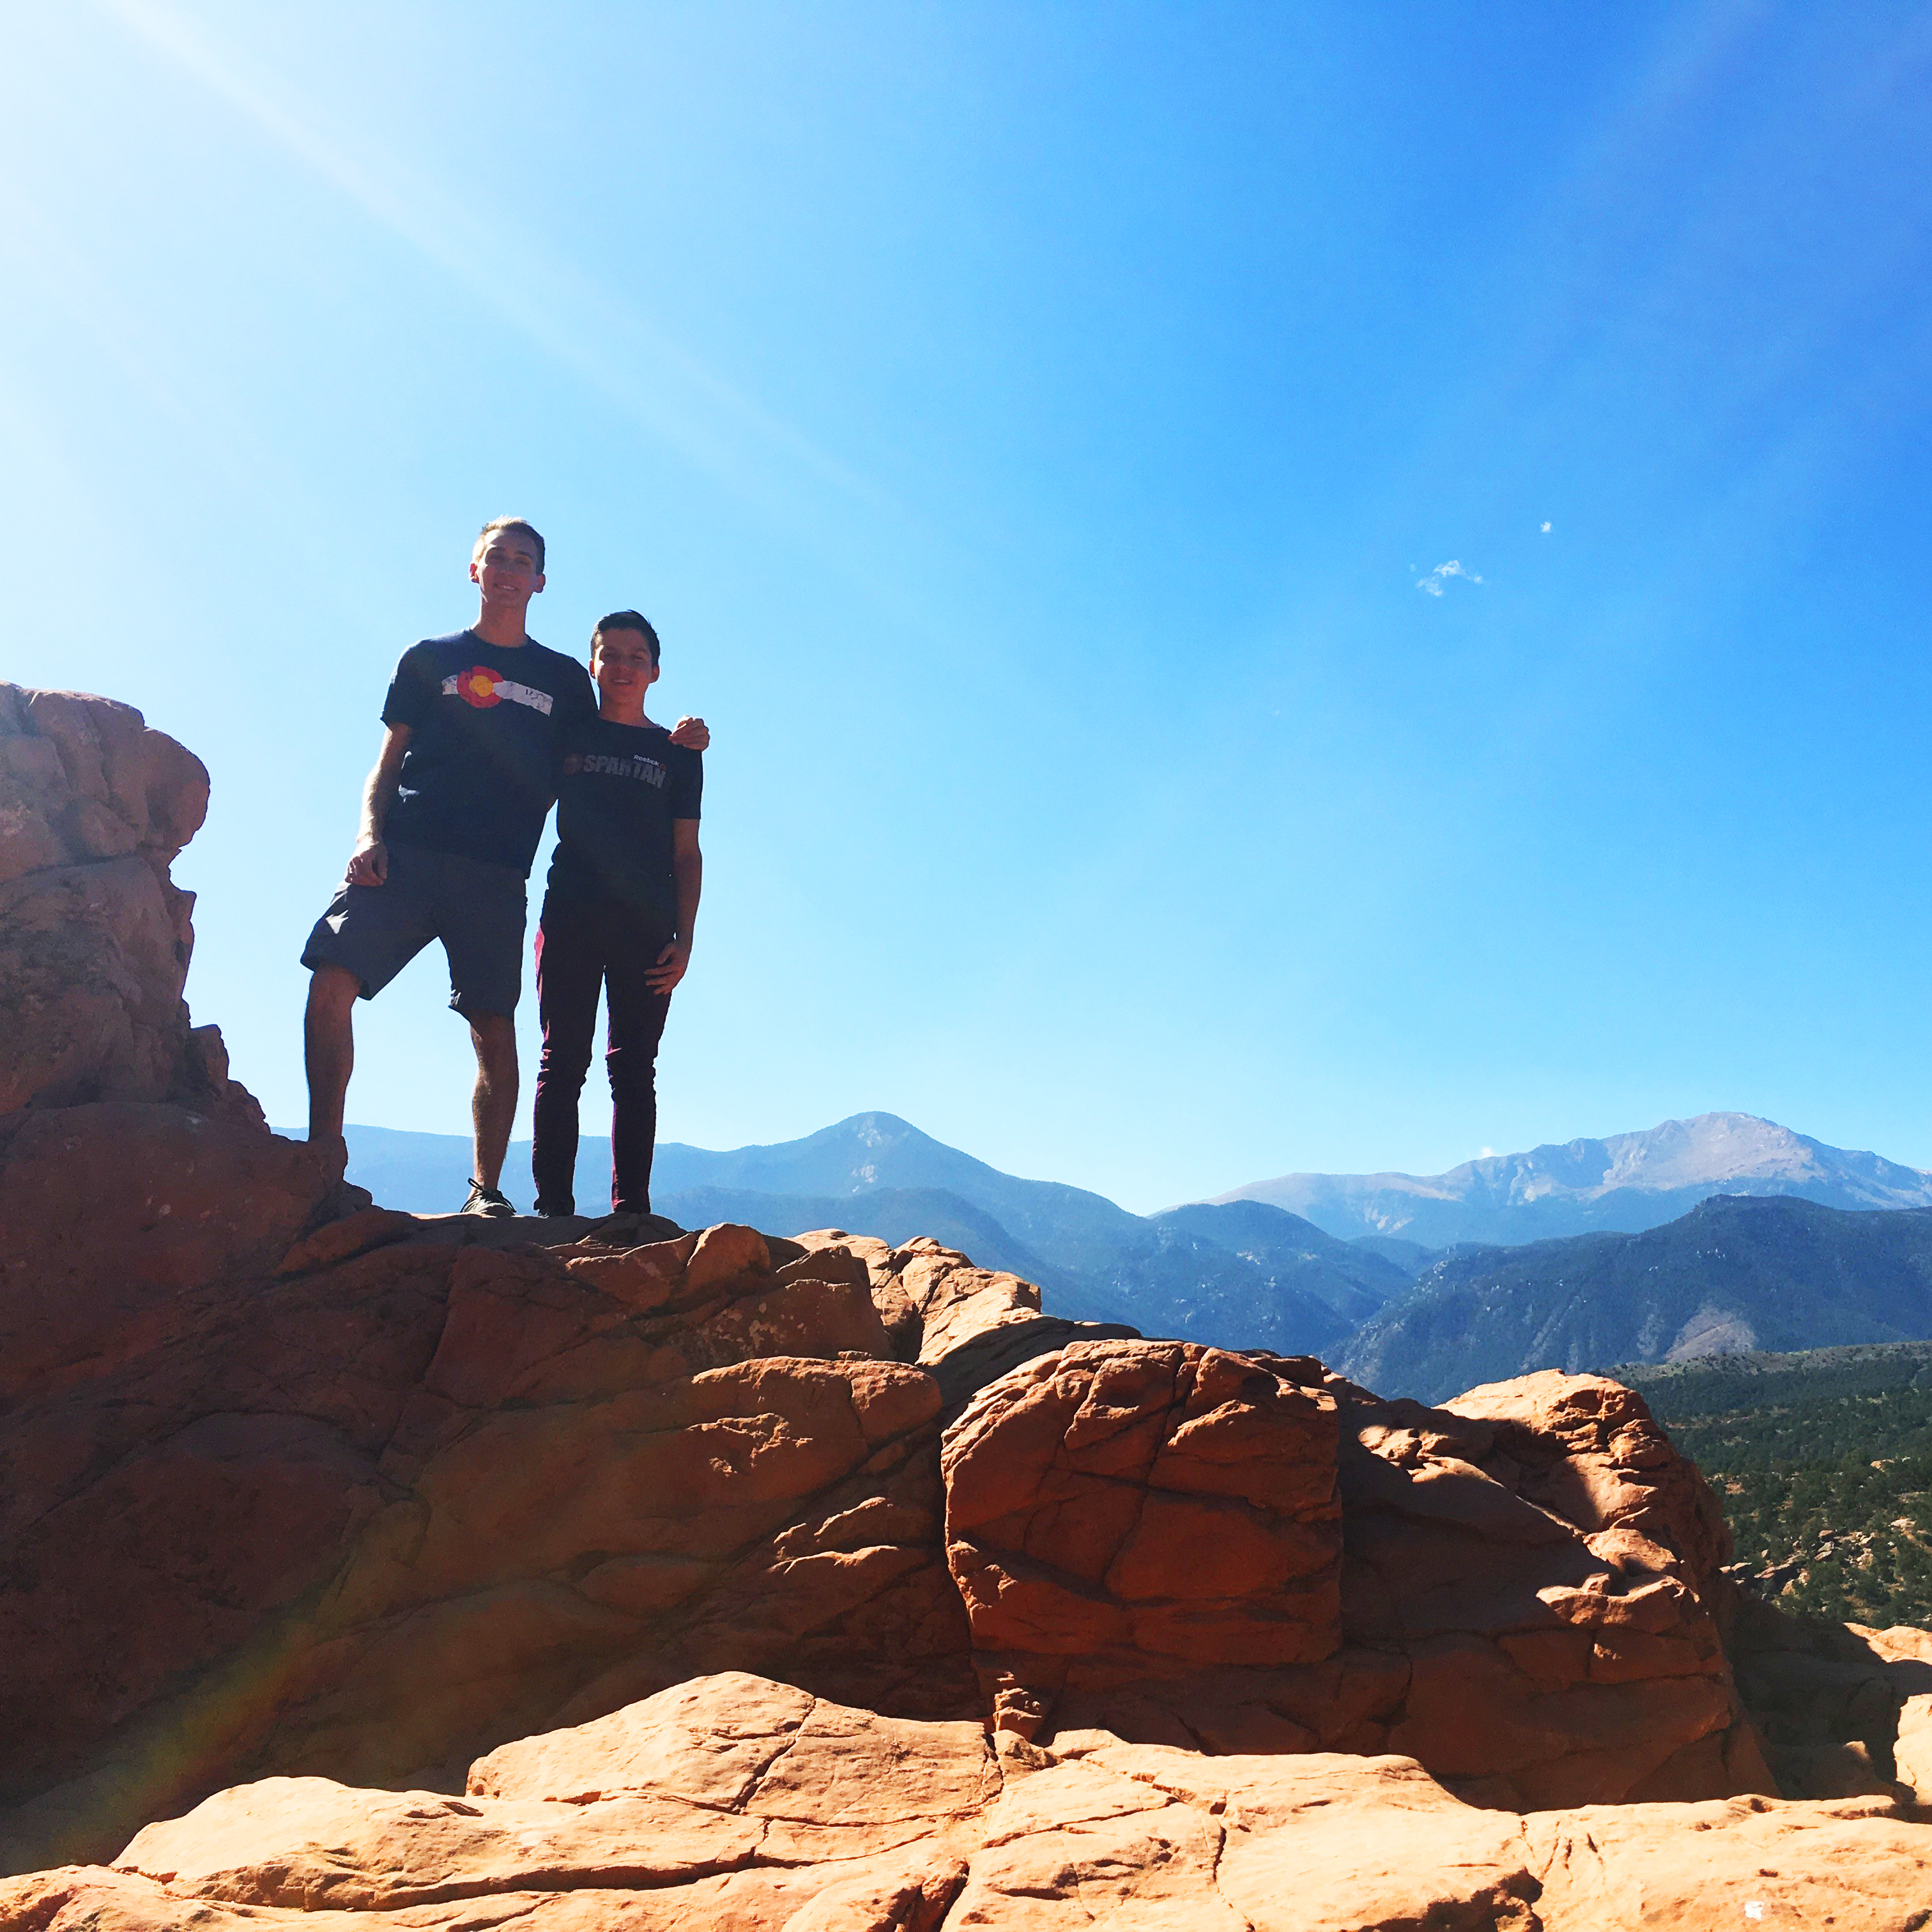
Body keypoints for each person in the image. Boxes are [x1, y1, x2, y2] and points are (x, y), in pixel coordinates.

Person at [300, 521, 706, 1215]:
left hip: (497, 875)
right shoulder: (428, 660)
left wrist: (680, 742)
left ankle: (489, 1192)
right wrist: (369, 832)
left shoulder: (563, 683)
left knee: (499, 1027)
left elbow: (624, 743)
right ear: (474, 568)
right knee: (332, 980)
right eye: (500, 557)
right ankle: (320, 1156)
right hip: (406, 853)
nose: (511, 570)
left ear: (541, 581)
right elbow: (387, 761)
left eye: (525, 561)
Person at [530, 610, 702, 1219]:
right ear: (594, 664)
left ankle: (631, 1211)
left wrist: (686, 938)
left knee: (634, 1069)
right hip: (571, 916)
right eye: (611, 654)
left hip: (647, 929)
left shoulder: (677, 753)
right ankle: (552, 1211)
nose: (623, 666)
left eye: (637, 657)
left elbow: (687, 852)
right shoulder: (567, 733)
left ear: (655, 671)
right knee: (562, 1059)